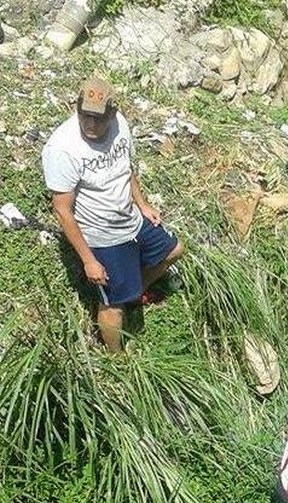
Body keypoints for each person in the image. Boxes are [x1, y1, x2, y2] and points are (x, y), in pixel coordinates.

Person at [41, 77, 184, 353]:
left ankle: (132, 292)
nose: (90, 124)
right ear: (76, 109)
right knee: (112, 306)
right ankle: (115, 357)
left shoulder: (120, 126)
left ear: (112, 113)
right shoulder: (63, 148)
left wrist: (142, 204)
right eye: (85, 116)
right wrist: (89, 261)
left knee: (175, 250)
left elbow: (125, 168)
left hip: (130, 218)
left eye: (98, 118)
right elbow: (62, 210)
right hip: (101, 235)